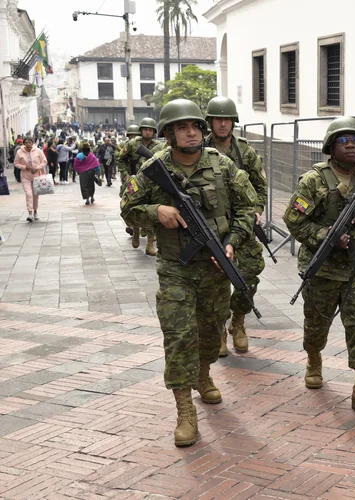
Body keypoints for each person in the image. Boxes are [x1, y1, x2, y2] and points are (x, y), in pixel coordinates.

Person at [120, 99, 257, 447]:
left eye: (196, 126)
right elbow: (127, 208)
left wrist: (232, 242)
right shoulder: (153, 168)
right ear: (168, 133)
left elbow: (247, 208)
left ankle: (204, 374)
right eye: (182, 127)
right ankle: (184, 410)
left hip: (214, 270)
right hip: (175, 269)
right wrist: (156, 210)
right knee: (179, 336)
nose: (191, 132)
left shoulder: (223, 166)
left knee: (211, 334)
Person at [282, 117, 355, 418]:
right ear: (331, 147)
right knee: (317, 322)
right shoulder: (314, 180)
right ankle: (314, 359)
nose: (350, 144)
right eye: (343, 140)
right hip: (324, 269)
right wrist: (324, 236)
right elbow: (294, 219)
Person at [204, 96, 267, 356]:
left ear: (233, 123)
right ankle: (218, 328)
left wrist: (257, 209)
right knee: (215, 279)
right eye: (217, 119)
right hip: (212, 225)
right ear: (210, 122)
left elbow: (260, 186)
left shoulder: (245, 151)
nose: (222, 124)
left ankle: (238, 321)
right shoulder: (199, 148)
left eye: (226, 119)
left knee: (250, 273)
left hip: (242, 224)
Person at [116, 117, 164, 256]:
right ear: (141, 130)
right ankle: (135, 230)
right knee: (135, 207)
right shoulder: (132, 144)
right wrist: (125, 175)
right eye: (145, 129)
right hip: (135, 183)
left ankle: (149, 244)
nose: (147, 132)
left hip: (152, 183)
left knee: (151, 212)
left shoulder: (160, 146)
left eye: (150, 130)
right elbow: (121, 159)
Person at [13, 136, 47, 222]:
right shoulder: (19, 152)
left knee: (35, 195)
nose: (28, 144)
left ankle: (35, 211)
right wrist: (24, 167)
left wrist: (38, 167)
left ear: (32, 143)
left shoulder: (38, 151)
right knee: (29, 194)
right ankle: (30, 213)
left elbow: (44, 161)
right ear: (23, 143)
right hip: (25, 176)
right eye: (26, 143)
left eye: (30, 142)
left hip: (36, 176)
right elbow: (16, 163)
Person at [73, 141, 101, 205]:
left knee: (84, 186)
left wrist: (78, 171)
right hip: (91, 172)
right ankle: (92, 197)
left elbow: (76, 165)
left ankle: (87, 199)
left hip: (83, 173)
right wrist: (98, 172)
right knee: (91, 185)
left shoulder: (79, 155)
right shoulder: (92, 156)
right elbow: (97, 165)